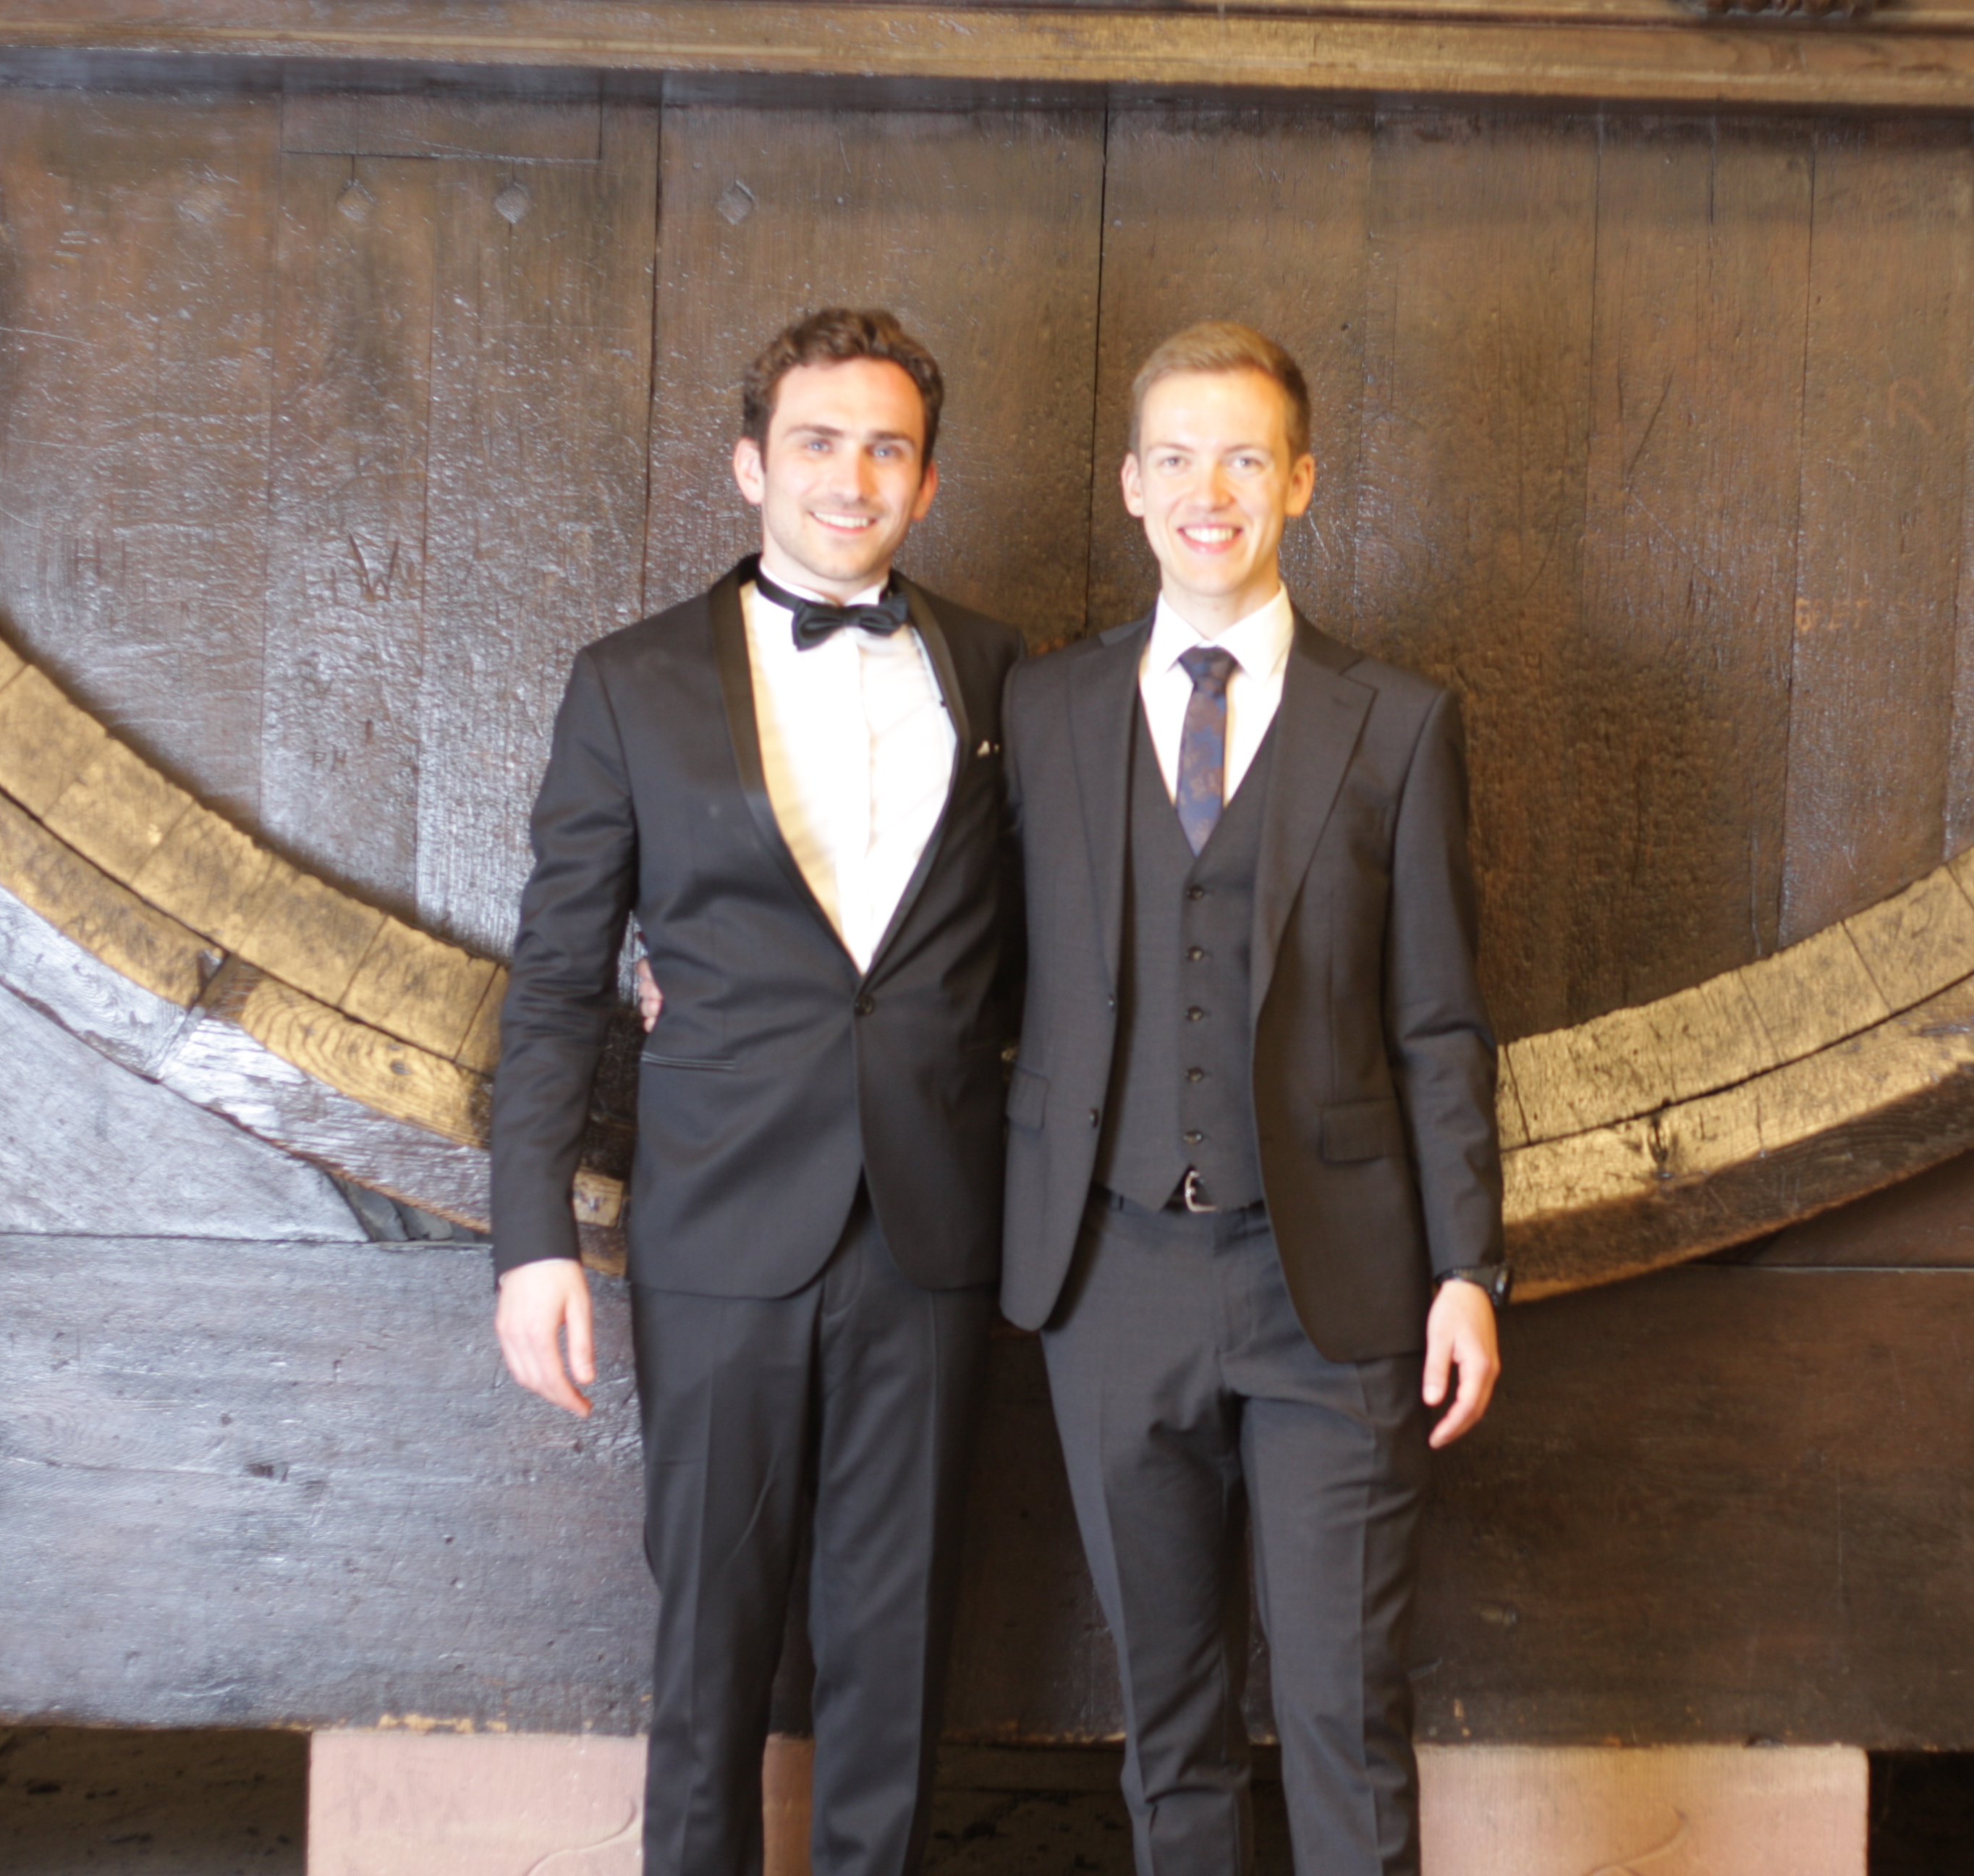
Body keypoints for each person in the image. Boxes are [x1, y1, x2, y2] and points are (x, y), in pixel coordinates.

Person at [486, 308, 1023, 1876]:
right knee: (708, 1655)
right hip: (717, 1228)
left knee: (898, 1663)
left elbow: (1047, 949)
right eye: (817, 441)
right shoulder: (629, 684)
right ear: (750, 465)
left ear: (927, 482)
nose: (851, 477)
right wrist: (531, 1241)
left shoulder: (1006, 675)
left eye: (887, 449)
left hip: (935, 1232)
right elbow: (558, 981)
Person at [999, 321, 1505, 1876]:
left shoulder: (1398, 722)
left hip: (1334, 1288)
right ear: (1131, 486)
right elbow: (955, 956)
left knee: (1344, 1713)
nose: (1206, 491)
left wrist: (1468, 1272)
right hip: (1109, 1272)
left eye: (1242, 458)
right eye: (1176, 458)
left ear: (1299, 481)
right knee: (1170, 1729)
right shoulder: (1045, 710)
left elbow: (1439, 1020)